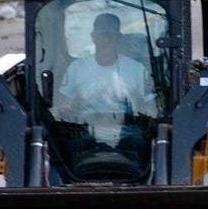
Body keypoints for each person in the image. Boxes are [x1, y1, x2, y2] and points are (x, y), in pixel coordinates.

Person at [59, 13, 157, 146]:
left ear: (118, 38)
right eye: (101, 35)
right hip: (85, 131)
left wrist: (137, 102)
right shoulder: (77, 68)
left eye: (110, 36)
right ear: (93, 37)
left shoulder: (137, 70)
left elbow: (151, 110)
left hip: (128, 132)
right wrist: (76, 105)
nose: (106, 40)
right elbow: (63, 107)